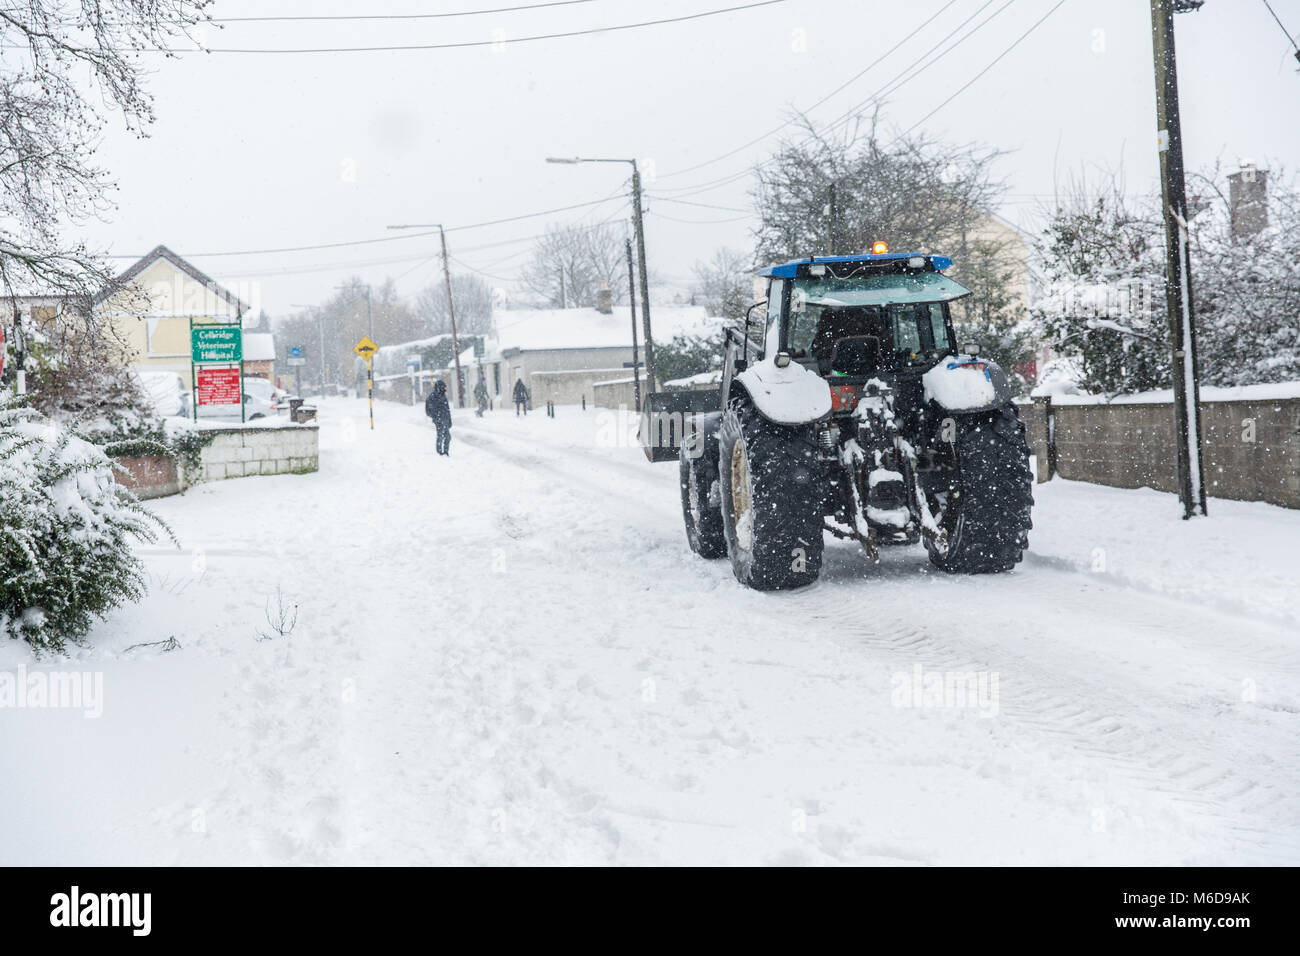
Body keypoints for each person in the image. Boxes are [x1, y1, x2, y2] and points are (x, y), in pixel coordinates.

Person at [425, 380, 452, 456]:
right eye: (443, 387)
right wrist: (436, 419)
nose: (444, 389)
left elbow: (447, 409)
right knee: (440, 436)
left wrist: (449, 420)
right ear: (439, 387)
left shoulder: (443, 396)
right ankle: (439, 452)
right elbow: (429, 411)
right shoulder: (432, 397)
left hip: (445, 419)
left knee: (447, 437)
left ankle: (446, 452)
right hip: (439, 420)